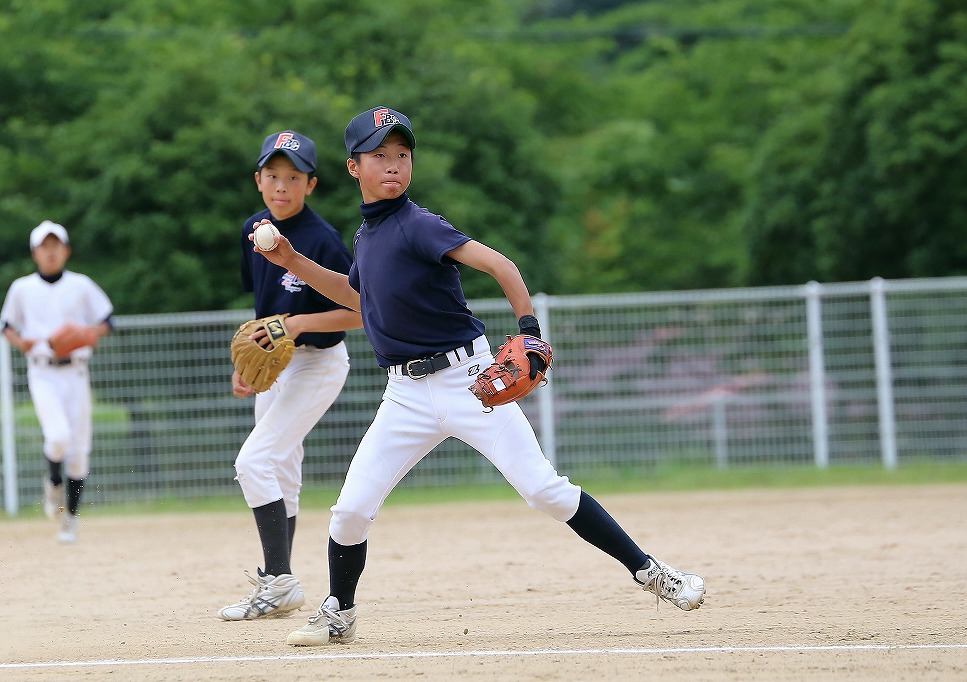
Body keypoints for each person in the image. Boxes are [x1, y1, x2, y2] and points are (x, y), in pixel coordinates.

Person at [250, 107, 706, 646]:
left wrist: (529, 329)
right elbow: (355, 297)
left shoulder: (419, 225)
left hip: (470, 381)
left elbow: (500, 266)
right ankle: (338, 613)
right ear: (354, 168)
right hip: (406, 395)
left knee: (544, 491)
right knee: (349, 511)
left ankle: (653, 572)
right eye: (379, 155)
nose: (393, 165)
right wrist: (288, 256)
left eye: (402, 155)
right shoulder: (366, 237)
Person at [217, 130, 363, 622]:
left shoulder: (320, 240)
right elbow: (263, 310)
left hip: (319, 364)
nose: (282, 185)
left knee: (253, 462)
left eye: (293, 176)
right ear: (258, 180)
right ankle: (276, 582)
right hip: (278, 365)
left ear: (311, 184)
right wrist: (248, 361)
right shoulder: (252, 228)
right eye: (273, 175)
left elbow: (362, 309)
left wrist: (299, 323)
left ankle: (280, 580)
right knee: (281, 473)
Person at [1, 220, 113, 544]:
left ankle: (71, 520)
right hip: (42, 370)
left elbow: (107, 319)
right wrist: (20, 342)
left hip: (75, 371)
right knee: (58, 436)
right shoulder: (23, 288)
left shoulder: (80, 285)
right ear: (35, 253)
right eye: (44, 247)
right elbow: (7, 323)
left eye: (56, 246)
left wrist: (91, 333)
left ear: (66, 250)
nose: (50, 252)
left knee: (79, 453)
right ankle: (53, 483)